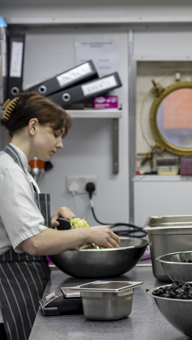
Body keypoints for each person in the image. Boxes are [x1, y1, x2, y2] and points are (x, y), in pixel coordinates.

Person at [0, 92, 121, 340]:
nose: (60, 144)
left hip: (26, 276)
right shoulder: (7, 171)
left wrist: (49, 219)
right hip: (13, 279)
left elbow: (16, 226)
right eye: (56, 134)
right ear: (33, 126)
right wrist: (87, 233)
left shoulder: (21, 170)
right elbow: (33, 242)